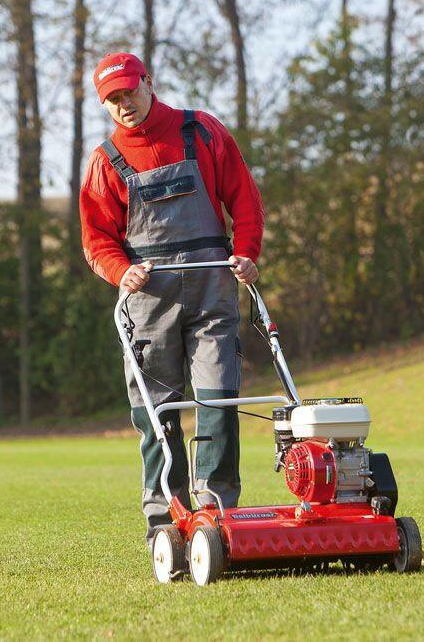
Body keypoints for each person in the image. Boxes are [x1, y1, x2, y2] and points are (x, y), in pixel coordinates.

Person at [79, 52, 265, 543]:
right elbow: (96, 241)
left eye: (129, 93)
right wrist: (122, 272)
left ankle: (217, 509)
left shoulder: (202, 131)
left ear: (148, 83)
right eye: (112, 100)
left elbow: (243, 198)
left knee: (218, 395)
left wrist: (245, 253)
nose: (124, 106)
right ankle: (165, 516)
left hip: (212, 287)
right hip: (148, 298)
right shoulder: (104, 162)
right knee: (155, 410)